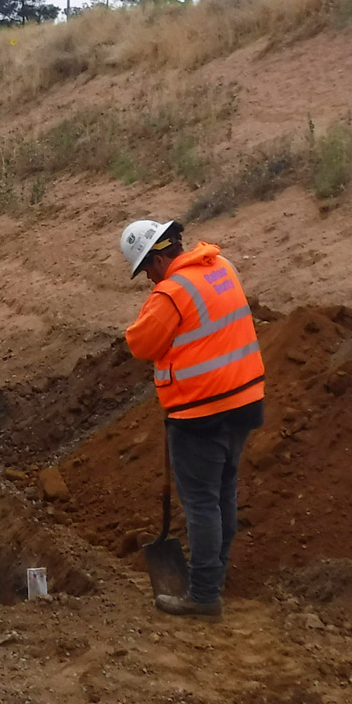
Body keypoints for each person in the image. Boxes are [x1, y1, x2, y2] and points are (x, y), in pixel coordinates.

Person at [118, 218, 266, 621]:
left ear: (159, 256)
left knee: (202, 504)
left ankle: (203, 596)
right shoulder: (223, 268)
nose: (148, 278)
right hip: (245, 402)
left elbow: (141, 342)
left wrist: (156, 304)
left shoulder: (172, 292)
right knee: (223, 497)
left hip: (202, 412)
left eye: (146, 269)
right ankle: (213, 576)